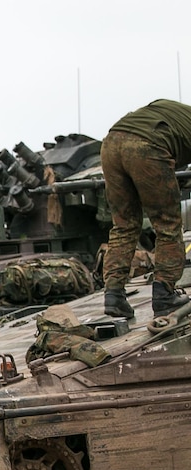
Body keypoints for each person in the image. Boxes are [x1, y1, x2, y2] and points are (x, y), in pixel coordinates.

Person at [101, 99, 191, 318]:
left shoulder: (175, 115)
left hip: (111, 145)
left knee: (124, 225)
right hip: (147, 147)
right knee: (167, 224)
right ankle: (164, 295)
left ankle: (114, 295)